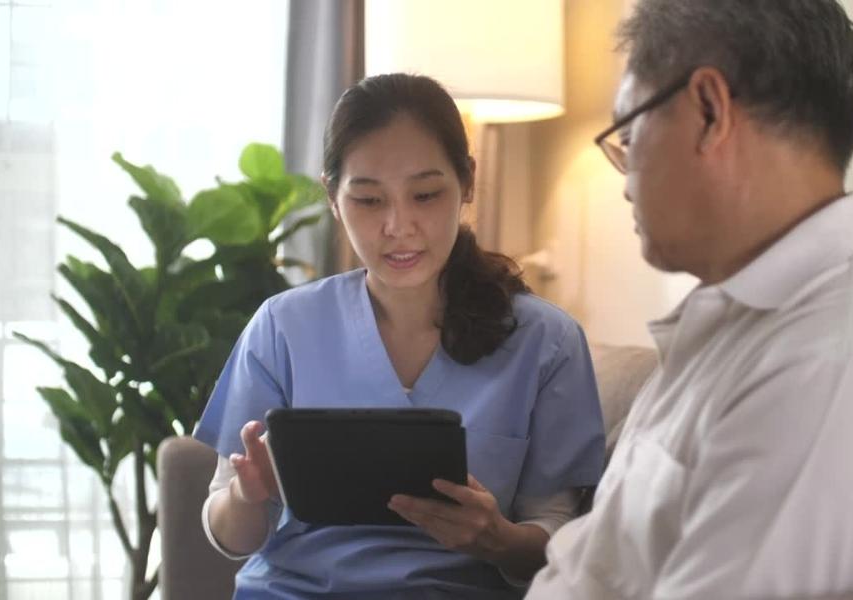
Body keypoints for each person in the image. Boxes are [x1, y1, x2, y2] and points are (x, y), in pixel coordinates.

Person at [526, 1, 853, 598]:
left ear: (709, 110)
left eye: (629, 137)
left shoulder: (824, 374)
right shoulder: (737, 321)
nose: (625, 178)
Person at [193, 73, 605, 599]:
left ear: (468, 183)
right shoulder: (283, 327)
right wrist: (247, 498)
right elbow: (229, 536)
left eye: (427, 195)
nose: (399, 225)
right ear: (333, 198)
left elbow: (561, 539)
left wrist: (497, 539)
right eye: (369, 200)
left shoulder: (547, 342)